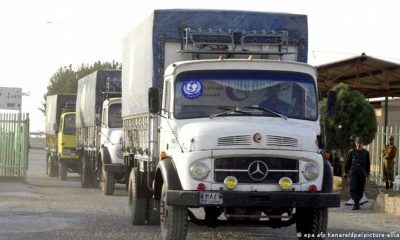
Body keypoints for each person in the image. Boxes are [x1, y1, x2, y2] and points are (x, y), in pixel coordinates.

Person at [344, 137, 370, 210]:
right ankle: (355, 203)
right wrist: (345, 172)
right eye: (357, 143)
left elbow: (368, 164)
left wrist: (368, 173)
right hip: (353, 172)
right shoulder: (351, 152)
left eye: (360, 143)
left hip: (362, 173)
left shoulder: (366, 153)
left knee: (360, 188)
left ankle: (357, 202)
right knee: (353, 187)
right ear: (355, 144)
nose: (359, 145)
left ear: (363, 144)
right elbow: (348, 163)